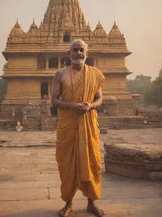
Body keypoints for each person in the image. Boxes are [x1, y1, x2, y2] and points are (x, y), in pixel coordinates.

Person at [51, 39, 105, 217]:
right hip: (67, 124)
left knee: (91, 162)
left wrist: (90, 106)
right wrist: (73, 106)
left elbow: (99, 99)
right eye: (75, 50)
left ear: (87, 53)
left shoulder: (95, 74)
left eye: (81, 50)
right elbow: (54, 100)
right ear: (69, 54)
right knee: (67, 165)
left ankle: (91, 202)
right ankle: (68, 203)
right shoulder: (60, 74)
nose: (78, 53)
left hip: (88, 122)